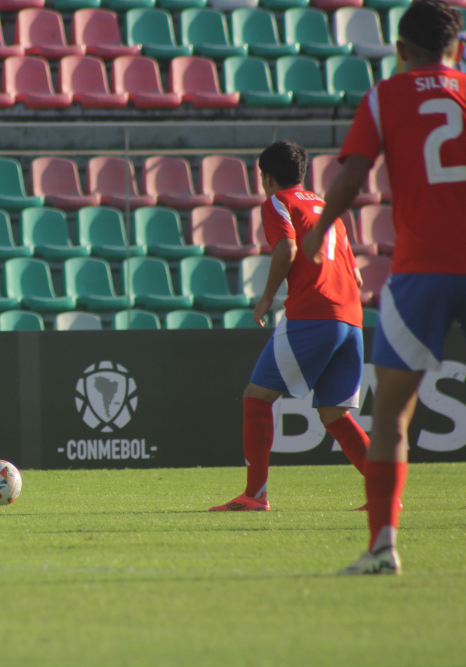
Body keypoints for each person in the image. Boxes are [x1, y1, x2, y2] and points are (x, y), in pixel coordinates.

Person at [303, 0, 466, 575]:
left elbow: (351, 177)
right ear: (458, 49)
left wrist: (320, 229)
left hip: (421, 272)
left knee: (392, 415)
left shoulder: (385, 96)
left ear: (399, 50)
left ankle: (382, 548)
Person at [209, 141, 371, 513]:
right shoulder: (329, 209)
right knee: (333, 412)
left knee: (256, 396)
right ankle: (385, 492)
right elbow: (358, 275)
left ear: (266, 176)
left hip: (314, 313)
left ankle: (255, 494)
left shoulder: (278, 202)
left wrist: (266, 297)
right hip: (351, 317)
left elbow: (286, 249)